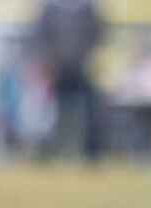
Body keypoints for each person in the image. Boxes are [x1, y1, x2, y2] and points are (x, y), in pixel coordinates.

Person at [33, 0, 105, 160]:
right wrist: (49, 62)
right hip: (57, 68)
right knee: (50, 111)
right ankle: (50, 149)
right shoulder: (50, 8)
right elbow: (42, 37)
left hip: (83, 67)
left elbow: (98, 35)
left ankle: (91, 151)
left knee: (90, 110)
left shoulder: (88, 8)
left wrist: (88, 57)